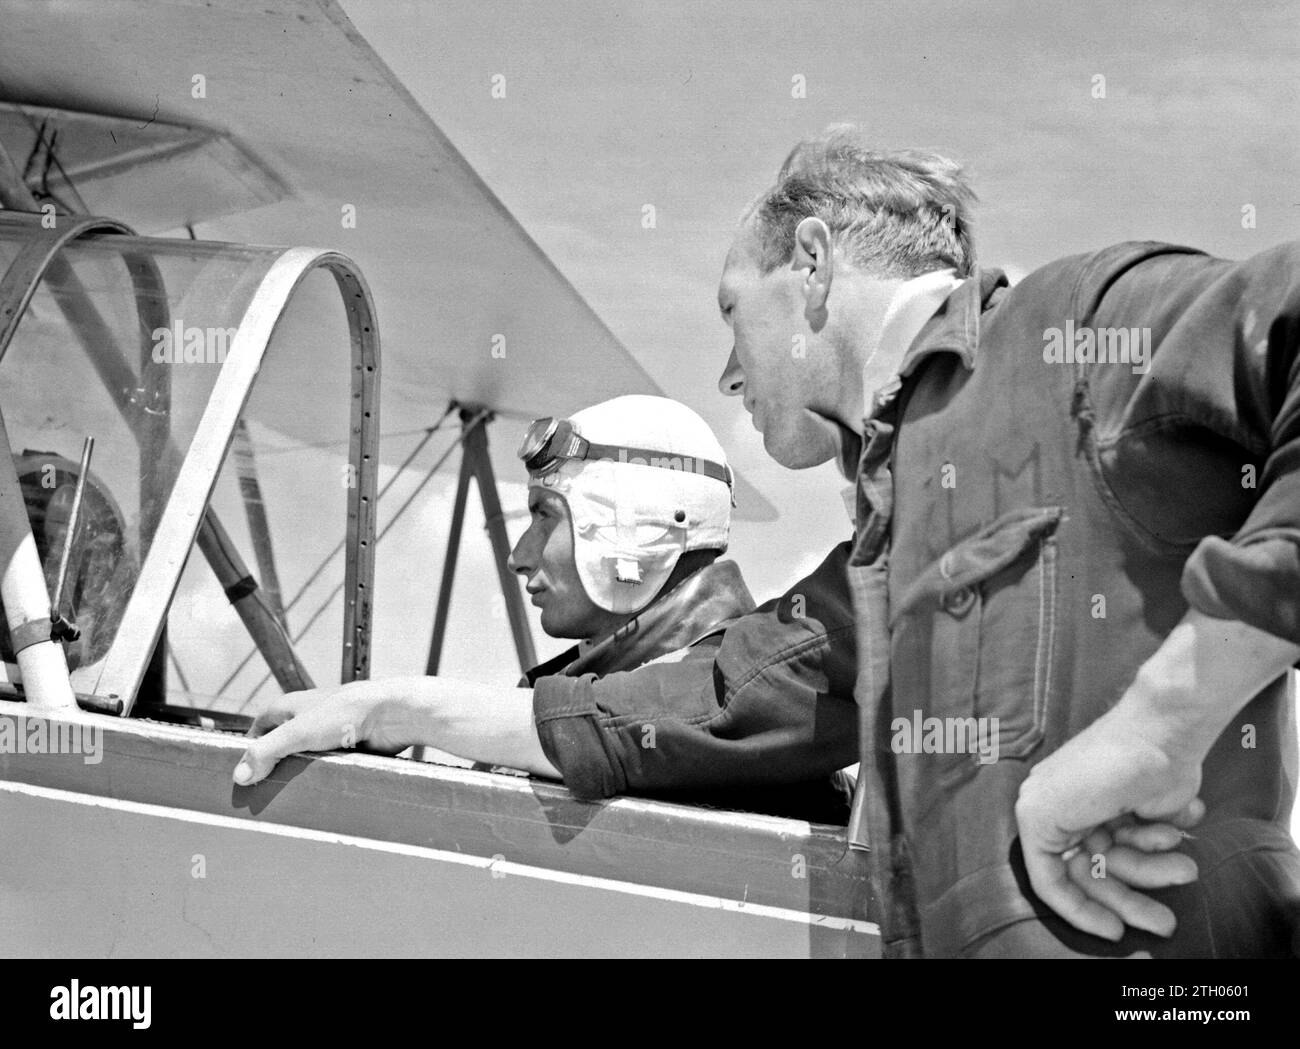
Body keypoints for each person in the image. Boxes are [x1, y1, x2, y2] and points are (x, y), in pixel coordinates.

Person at [714, 124, 1300, 956]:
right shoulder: (892, 508)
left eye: (730, 308)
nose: (729, 374)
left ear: (811, 264)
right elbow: (720, 695)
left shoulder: (1075, 329)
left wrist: (1162, 721)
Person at [234, 394, 857, 824]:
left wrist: (397, 707)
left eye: (543, 516)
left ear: (632, 531)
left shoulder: (716, 750)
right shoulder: (650, 706)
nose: (519, 556)